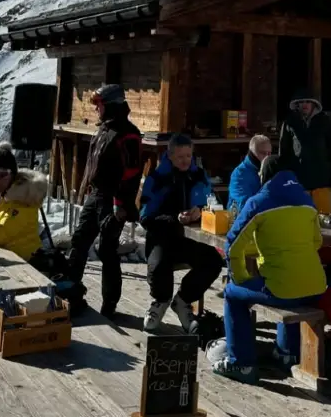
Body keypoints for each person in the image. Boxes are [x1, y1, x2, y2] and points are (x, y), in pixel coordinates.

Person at [210, 155, 326, 384]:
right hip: (316, 286)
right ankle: (286, 353)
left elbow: (232, 245)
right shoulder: (307, 200)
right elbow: (316, 243)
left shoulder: (260, 201)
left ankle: (240, 363)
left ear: (264, 176)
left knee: (233, 295)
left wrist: (240, 277)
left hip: (282, 288)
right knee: (290, 287)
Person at [60, 84, 143, 317]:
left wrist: (121, 204)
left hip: (113, 200)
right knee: (79, 242)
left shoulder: (128, 134)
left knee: (107, 250)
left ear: (110, 105)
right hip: (96, 196)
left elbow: (131, 172)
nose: (96, 109)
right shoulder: (104, 130)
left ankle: (109, 305)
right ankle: (70, 291)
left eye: (99, 105)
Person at [140, 133, 223, 333]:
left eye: (188, 156)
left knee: (213, 262)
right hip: (162, 237)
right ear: (170, 156)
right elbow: (145, 217)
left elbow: (214, 203)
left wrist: (201, 211)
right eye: (180, 157)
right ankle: (160, 302)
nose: (185, 160)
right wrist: (174, 219)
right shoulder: (157, 179)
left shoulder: (199, 175)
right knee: (159, 266)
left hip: (190, 239)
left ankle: (183, 301)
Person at [279, 89, 331, 214]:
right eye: (301, 102)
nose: (305, 104)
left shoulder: (324, 121)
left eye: (308, 102)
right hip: (299, 180)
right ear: (296, 105)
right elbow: (283, 153)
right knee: (301, 217)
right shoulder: (289, 122)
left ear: (314, 104)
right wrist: (284, 179)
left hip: (322, 179)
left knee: (324, 218)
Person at [0, 142, 48, 262]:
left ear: (13, 175)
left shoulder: (24, 201)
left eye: (2, 174)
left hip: (27, 263)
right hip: (7, 258)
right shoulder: (1, 196)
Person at [228, 134, 272, 212]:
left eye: (269, 153)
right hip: (243, 220)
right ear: (253, 153)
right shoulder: (239, 174)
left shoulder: (271, 170)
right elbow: (245, 206)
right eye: (263, 153)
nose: (267, 157)